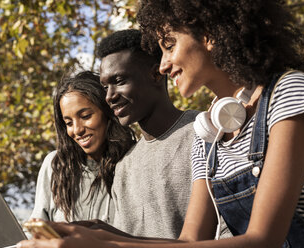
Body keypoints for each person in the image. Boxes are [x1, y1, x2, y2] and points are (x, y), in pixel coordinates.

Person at [18, 0, 304, 247]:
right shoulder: (209, 130)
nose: (163, 65)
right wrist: (101, 233)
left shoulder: (288, 91)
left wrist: (105, 246)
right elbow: (189, 242)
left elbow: (263, 240)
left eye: (169, 45)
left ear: (210, 35)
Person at [18, 29, 200, 246]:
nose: (109, 96)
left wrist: (103, 239)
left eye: (119, 81)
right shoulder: (126, 167)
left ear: (156, 74)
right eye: (105, 87)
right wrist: (100, 233)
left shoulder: (203, 133)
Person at [30, 70, 136, 223]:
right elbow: (36, 227)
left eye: (85, 116)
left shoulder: (132, 164)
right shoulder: (55, 165)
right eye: (68, 123)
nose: (77, 130)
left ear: (107, 112)